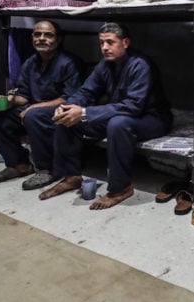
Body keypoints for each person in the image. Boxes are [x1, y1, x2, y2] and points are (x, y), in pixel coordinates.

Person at [38, 22, 173, 210]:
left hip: (152, 118)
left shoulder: (141, 65)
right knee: (67, 120)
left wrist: (84, 113)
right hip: (121, 114)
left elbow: (133, 106)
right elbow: (86, 92)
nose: (104, 47)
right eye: (101, 43)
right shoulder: (105, 65)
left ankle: (121, 188)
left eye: (110, 42)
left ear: (125, 42)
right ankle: (71, 176)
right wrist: (68, 107)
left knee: (118, 124)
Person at [0, 20, 83, 190]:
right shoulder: (30, 63)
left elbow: (69, 98)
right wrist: (10, 101)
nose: (41, 38)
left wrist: (34, 107)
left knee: (33, 115)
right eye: (37, 34)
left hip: (63, 110)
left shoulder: (69, 62)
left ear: (58, 39)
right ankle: (19, 165)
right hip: (34, 111)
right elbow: (23, 95)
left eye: (48, 35)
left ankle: (49, 169)